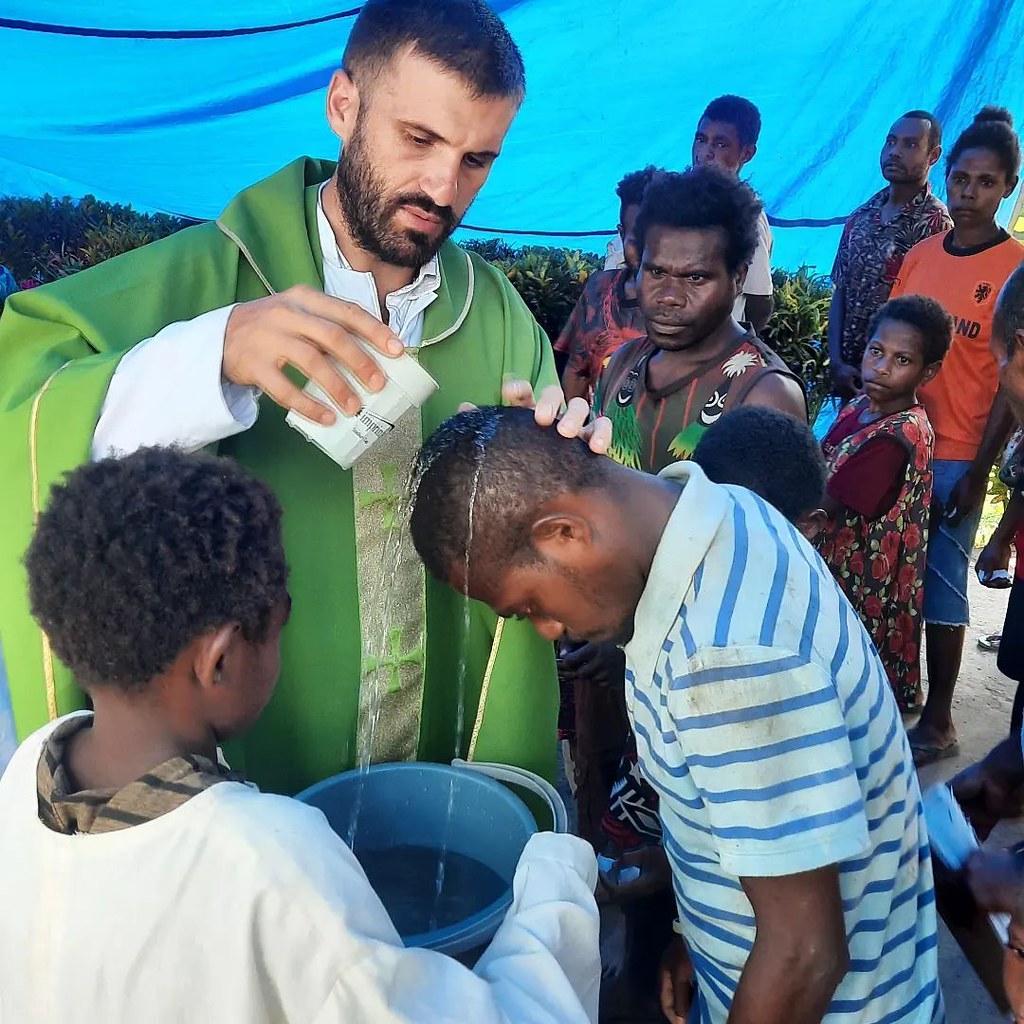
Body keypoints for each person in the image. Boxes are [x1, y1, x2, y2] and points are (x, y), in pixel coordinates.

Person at [0, 0, 609, 796]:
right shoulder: (207, 280)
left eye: (477, 160)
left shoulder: (501, 324)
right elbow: (26, 413)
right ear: (343, 106)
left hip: (440, 780)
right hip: (240, 795)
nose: (443, 188)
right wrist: (210, 356)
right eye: (419, 139)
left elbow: (547, 555)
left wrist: (561, 469)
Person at [0, 447, 601, 1024]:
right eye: (279, 622)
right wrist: (558, 874)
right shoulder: (265, 857)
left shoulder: (33, 768)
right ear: (220, 662)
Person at [409, 406, 942, 1024]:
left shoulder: (725, 658)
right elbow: (774, 814)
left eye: (529, 606)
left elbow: (805, 953)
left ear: (564, 533)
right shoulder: (722, 510)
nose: (550, 630)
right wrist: (701, 928)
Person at [594, 406, 828, 1022]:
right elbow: (733, 827)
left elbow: (804, 947)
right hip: (724, 945)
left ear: (810, 527)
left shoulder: (737, 654)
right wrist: (693, 928)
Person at [886, 106, 1024, 764]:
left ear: (1009, 188)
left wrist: (979, 472)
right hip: (901, 443)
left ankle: (938, 722)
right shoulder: (919, 256)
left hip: (959, 453)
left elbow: (1010, 383)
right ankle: (901, 699)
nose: (968, 194)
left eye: (986, 182)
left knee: (941, 583)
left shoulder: (1014, 270)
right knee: (892, 576)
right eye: (961, 179)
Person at [595, 166, 805, 472]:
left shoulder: (765, 394)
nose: (668, 295)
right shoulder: (622, 364)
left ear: (738, 278)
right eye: (656, 271)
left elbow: (759, 519)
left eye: (695, 277)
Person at [816, 295, 951, 712]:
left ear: (928, 371)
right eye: (877, 351)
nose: (881, 367)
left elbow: (825, 507)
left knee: (844, 682)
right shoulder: (862, 404)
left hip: (858, 579)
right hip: (837, 568)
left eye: (902, 360)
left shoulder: (898, 436)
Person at [828, 111, 952, 401]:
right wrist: (836, 364)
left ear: (933, 156)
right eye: (891, 142)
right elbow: (841, 291)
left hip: (891, 386)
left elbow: (928, 320)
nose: (895, 152)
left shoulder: (936, 226)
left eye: (910, 145)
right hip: (846, 378)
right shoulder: (861, 216)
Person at [555, 167, 658, 402]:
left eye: (657, 239)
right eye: (637, 240)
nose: (648, 252)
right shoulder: (598, 289)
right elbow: (577, 370)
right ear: (621, 235)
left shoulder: (685, 307)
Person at [692, 95, 774, 333]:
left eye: (720, 144)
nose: (705, 153)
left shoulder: (747, 217)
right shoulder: (674, 199)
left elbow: (760, 302)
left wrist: (733, 347)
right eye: (701, 139)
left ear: (747, 154)